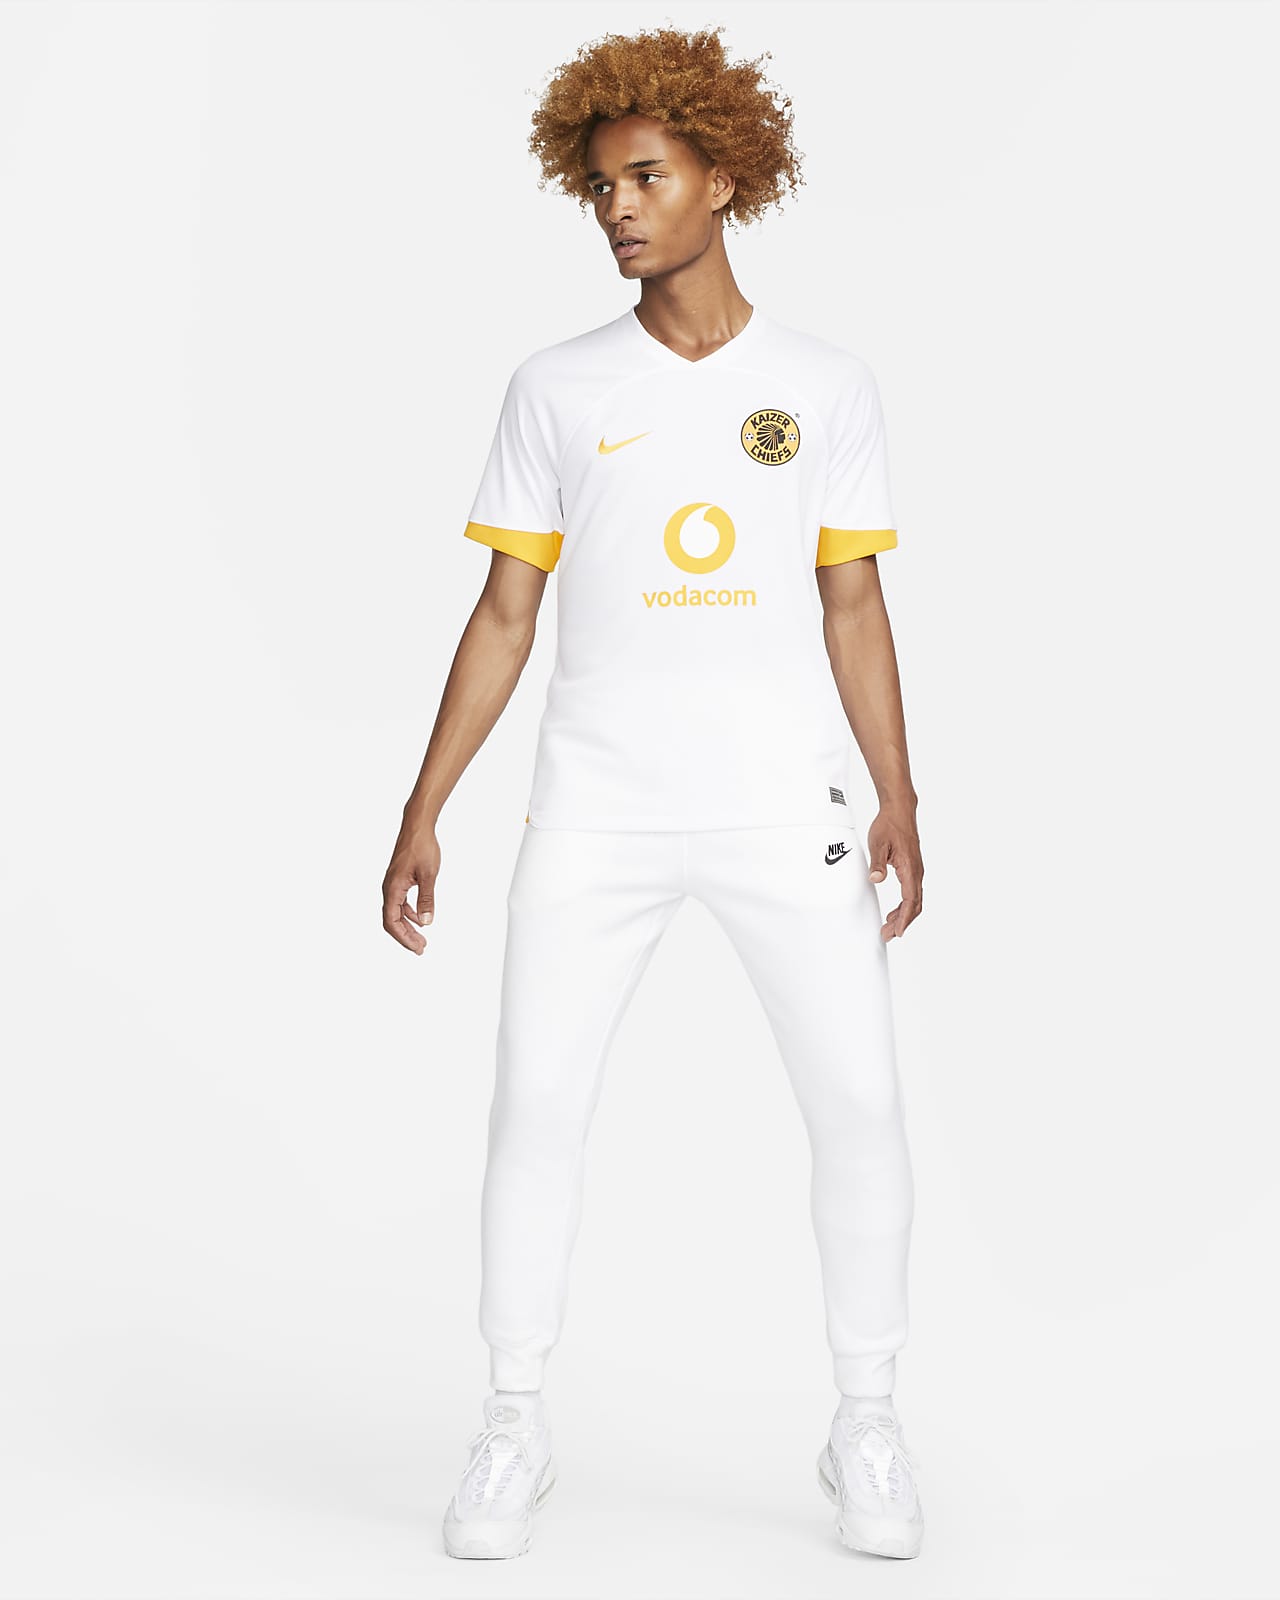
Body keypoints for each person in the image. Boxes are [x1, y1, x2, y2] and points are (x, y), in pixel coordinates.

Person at [381, 23, 926, 1562]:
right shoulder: (557, 388)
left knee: (859, 1105)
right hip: (597, 813)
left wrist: (898, 791)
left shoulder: (824, 386)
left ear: (724, 176)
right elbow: (507, 613)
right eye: (601, 186)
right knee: (536, 1105)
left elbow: (853, 604)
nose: (618, 209)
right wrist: (426, 806)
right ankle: (512, 1420)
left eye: (646, 178)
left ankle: (868, 1419)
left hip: (787, 808)